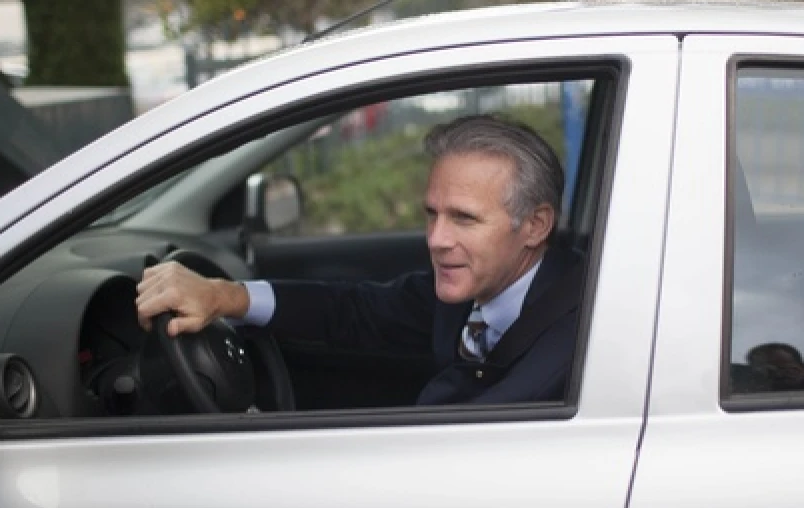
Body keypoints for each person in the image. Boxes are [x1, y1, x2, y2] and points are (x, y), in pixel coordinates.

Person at [135, 114, 584, 405]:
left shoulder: (579, 330)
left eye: (464, 219)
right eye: (432, 214)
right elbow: (354, 310)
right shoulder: (478, 289)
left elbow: (478, 427)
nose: (436, 239)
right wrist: (225, 296)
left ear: (535, 226)